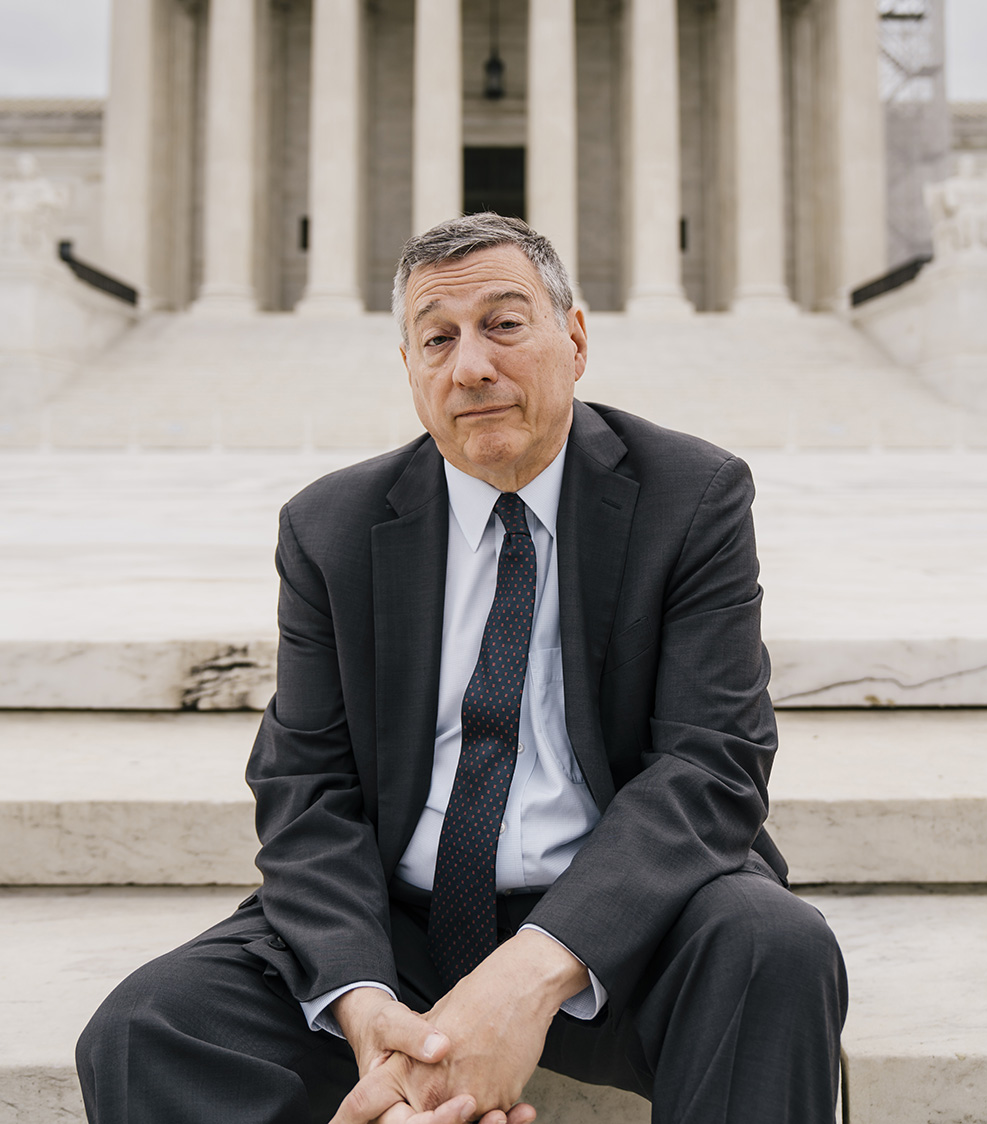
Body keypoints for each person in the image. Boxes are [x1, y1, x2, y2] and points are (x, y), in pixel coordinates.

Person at [77, 213, 847, 1124]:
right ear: (408, 368)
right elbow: (308, 785)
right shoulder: (332, 530)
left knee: (777, 947)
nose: (470, 365)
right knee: (145, 1028)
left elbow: (712, 763)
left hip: (629, 919)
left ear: (576, 338)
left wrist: (529, 972)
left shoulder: (692, 496)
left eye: (504, 325)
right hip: (401, 928)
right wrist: (369, 1015)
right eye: (437, 338)